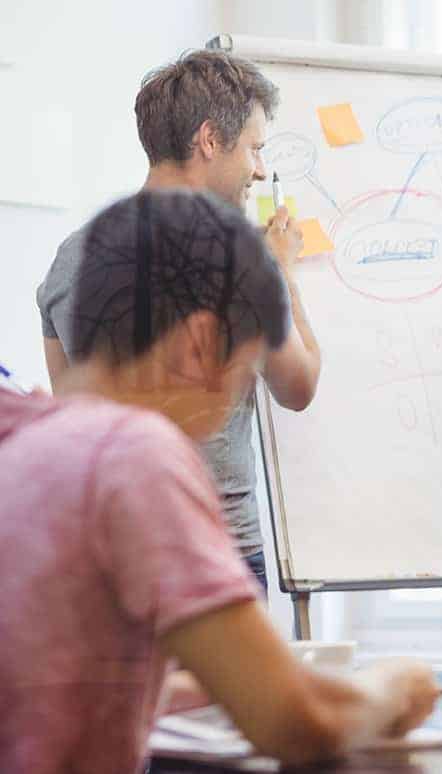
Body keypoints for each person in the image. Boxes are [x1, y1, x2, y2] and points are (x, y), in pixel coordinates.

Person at [0, 190, 436, 771]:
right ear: (202, 343)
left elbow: (55, 681)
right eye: (246, 366)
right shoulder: (132, 454)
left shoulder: (22, 435)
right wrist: (394, 686)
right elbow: (297, 722)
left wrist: (224, 679)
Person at [36, 49, 322, 590]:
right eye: (254, 150)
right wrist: (282, 269)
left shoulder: (70, 259)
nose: (259, 171)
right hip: (212, 557)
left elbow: (68, 416)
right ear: (210, 140)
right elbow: (299, 384)